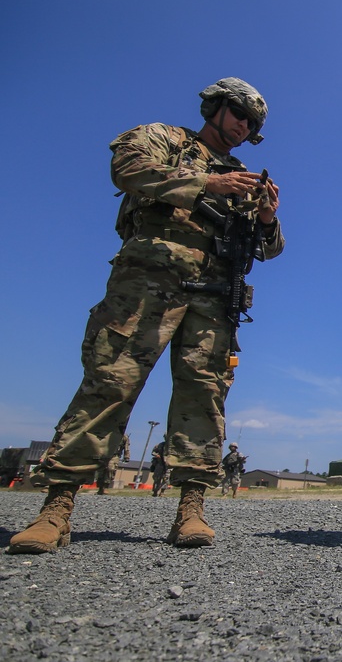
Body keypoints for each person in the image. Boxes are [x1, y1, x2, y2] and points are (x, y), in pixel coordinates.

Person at [7, 78, 284, 554]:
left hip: (213, 296)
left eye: (252, 123)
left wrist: (265, 218)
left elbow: (272, 249)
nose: (243, 125)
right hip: (147, 282)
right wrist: (207, 184)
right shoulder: (166, 139)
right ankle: (56, 508)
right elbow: (128, 170)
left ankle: (191, 509)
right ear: (215, 106)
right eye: (239, 113)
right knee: (109, 383)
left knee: (204, 396)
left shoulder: (243, 176)